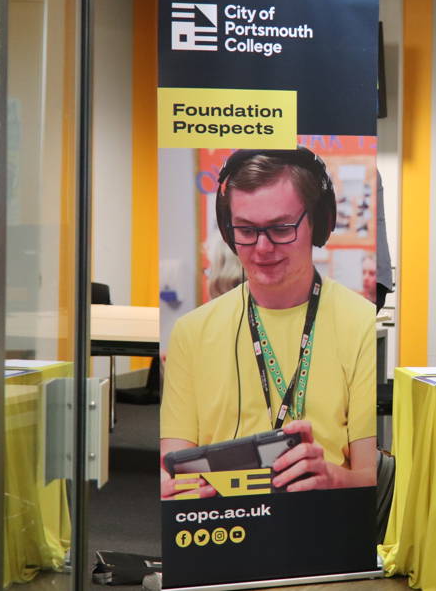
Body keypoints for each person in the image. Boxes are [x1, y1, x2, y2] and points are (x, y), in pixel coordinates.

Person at [160, 148, 376, 498]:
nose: (262, 248)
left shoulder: (362, 324)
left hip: (323, 520)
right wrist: (173, 489)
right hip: (220, 528)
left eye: (280, 228)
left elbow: (370, 475)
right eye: (245, 230)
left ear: (318, 224)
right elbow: (171, 461)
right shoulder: (191, 331)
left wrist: (334, 478)